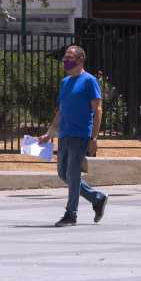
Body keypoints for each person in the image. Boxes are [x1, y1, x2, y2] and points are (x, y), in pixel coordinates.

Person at [39, 45, 108, 226]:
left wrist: (94, 138)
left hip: (80, 135)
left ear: (80, 60)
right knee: (64, 174)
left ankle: (71, 214)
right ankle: (96, 197)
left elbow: (98, 110)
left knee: (73, 173)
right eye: (64, 58)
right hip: (65, 134)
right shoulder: (65, 82)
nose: (65, 61)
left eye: (69, 57)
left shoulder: (89, 81)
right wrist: (49, 134)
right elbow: (61, 111)